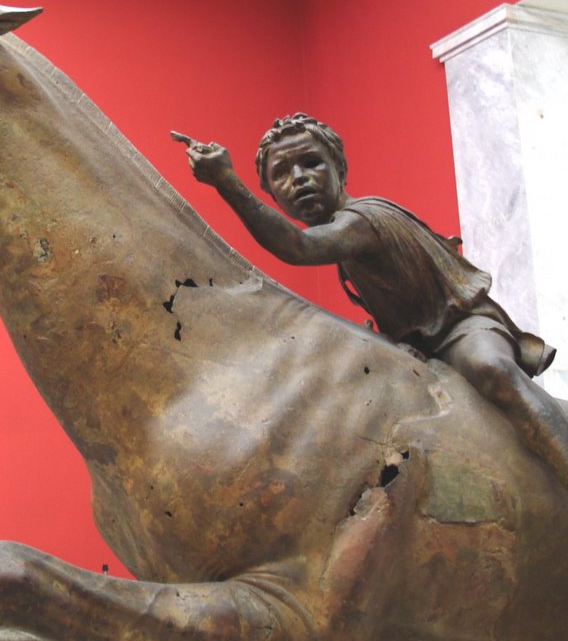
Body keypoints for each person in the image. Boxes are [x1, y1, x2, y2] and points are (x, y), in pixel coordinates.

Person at [180, 112, 568, 488]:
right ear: (272, 194)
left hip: (460, 329)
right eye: (281, 174)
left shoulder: (359, 221)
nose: (298, 179)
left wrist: (226, 181)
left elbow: (298, 247)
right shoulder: (343, 235)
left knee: (491, 369)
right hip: (416, 345)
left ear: (340, 170)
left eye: (311, 163)